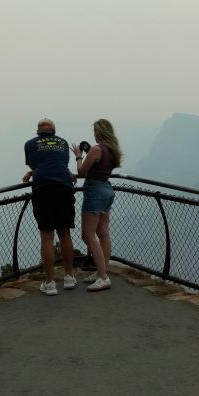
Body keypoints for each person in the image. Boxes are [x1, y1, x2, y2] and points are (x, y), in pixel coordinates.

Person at [22, 118, 78, 295]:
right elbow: (59, 164)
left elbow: (36, 164)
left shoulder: (30, 144)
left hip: (43, 188)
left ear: (38, 131)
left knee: (47, 236)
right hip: (64, 186)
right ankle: (69, 277)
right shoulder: (62, 143)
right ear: (54, 131)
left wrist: (32, 172)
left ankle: (50, 282)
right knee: (65, 233)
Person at [74, 119, 122, 292]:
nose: (93, 134)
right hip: (107, 190)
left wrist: (79, 155)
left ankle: (103, 277)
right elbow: (100, 168)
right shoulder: (112, 150)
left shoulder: (96, 149)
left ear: (100, 132)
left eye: (95, 131)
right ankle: (102, 271)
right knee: (103, 233)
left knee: (87, 235)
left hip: (95, 191)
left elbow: (82, 172)